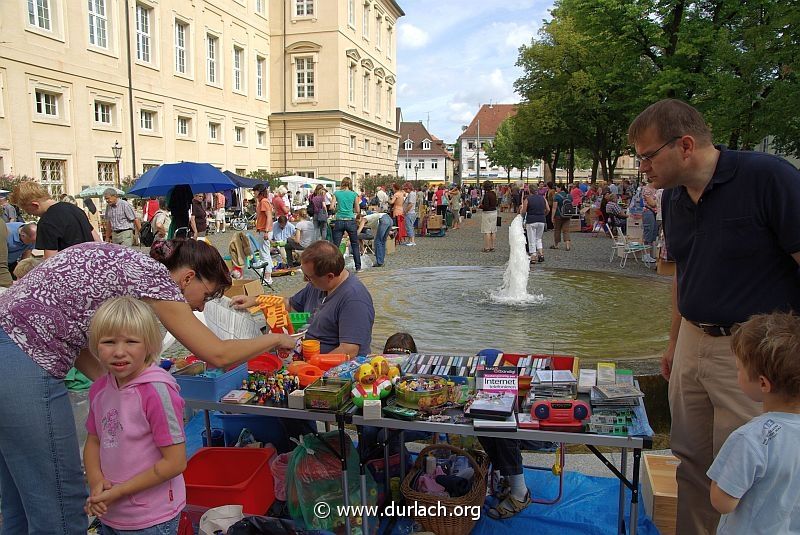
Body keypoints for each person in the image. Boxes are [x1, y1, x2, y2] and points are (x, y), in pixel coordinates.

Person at [0, 239, 295, 533]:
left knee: (22, 502)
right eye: (205, 296)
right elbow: (217, 353)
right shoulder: (157, 281)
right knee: (59, 507)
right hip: (23, 354)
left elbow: (73, 338)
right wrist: (276, 339)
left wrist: (122, 390)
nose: (198, 307)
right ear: (188, 277)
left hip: (9, 341)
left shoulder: (130, 265)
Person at [627, 98, 800, 535]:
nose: (641, 167)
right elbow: (683, 275)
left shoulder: (769, 178)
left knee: (749, 477)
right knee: (691, 462)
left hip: (753, 353)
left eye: (647, 156)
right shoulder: (673, 199)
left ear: (685, 145)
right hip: (692, 340)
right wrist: (673, 342)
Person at [83, 297, 187, 533]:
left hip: (152, 516)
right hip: (111, 512)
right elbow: (94, 439)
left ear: (149, 345)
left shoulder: (156, 391)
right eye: (108, 342)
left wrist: (117, 492)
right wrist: (96, 480)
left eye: (131, 341)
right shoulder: (100, 388)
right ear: (96, 346)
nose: (119, 352)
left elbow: (175, 462)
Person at [706, 312, 800, 534]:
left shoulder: (750, 438)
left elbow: (723, 502)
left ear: (763, 383)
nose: (737, 373)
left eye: (739, 368)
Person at [235, 241, 374, 356]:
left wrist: (311, 364)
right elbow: (289, 304)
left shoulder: (354, 300)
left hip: (333, 369)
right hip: (305, 352)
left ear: (330, 276)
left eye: (308, 277)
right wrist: (255, 300)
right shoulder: (318, 285)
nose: (304, 280)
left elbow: (348, 351)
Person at [10, 181, 100, 258]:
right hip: (90, 264)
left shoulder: (46, 222)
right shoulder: (75, 209)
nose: (29, 213)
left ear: (34, 205)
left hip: (68, 271)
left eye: (27, 210)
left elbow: (51, 260)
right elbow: (97, 241)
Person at [330, 177, 362, 272]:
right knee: (355, 244)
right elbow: (357, 210)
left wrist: (337, 209)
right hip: (350, 220)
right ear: (350, 184)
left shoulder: (336, 193)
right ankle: (358, 267)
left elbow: (331, 207)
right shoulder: (354, 194)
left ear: (342, 184)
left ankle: (334, 267)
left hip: (339, 219)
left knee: (336, 245)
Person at [520, 188, 548, 264]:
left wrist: (522, 217)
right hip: (541, 220)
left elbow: (524, 211)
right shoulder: (543, 198)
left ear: (529, 191)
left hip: (531, 220)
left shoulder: (528, 199)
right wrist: (543, 215)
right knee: (538, 238)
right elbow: (548, 209)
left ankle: (533, 255)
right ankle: (541, 254)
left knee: (531, 238)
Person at [550, 184, 572, 251]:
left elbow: (554, 207)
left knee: (557, 230)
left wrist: (552, 216)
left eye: (557, 188)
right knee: (566, 230)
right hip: (567, 215)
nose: (556, 189)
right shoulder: (569, 196)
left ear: (560, 188)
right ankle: (567, 245)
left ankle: (556, 245)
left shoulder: (557, 196)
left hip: (558, 215)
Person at [478, 180, 498, 252]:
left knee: (487, 231)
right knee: (493, 230)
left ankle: (487, 247)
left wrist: (480, 206)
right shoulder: (494, 194)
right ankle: (492, 246)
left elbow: (486, 206)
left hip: (487, 213)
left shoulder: (486, 195)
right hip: (494, 212)